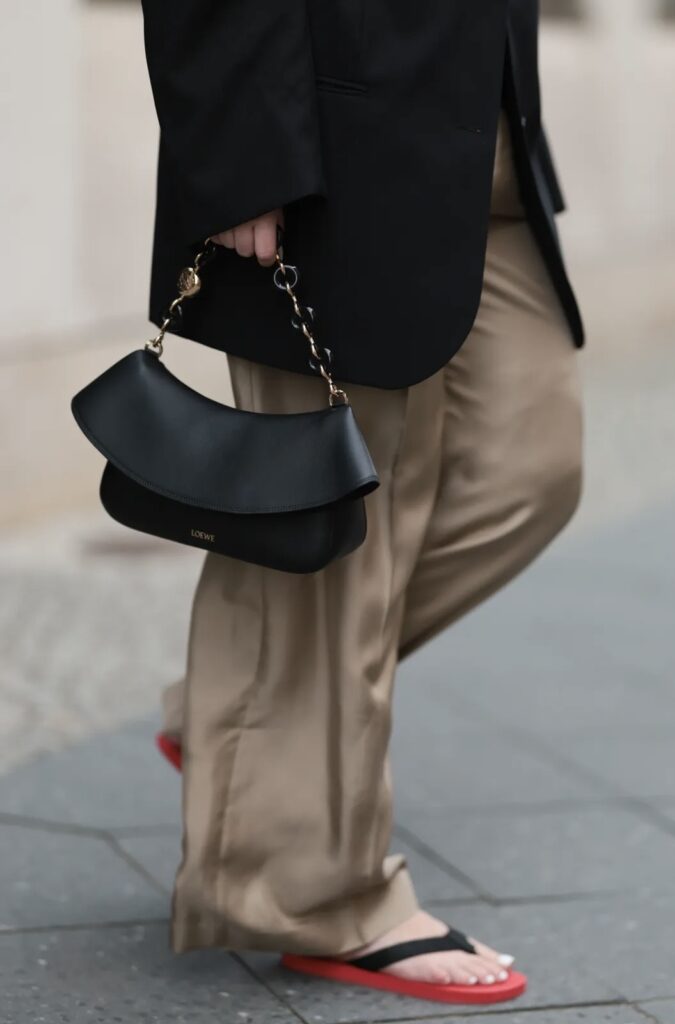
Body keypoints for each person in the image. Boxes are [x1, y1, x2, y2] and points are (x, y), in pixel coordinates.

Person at [140, 0, 584, 1006]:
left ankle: (240, 718)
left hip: (477, 125)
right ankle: (310, 890)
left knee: (529, 468)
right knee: (337, 524)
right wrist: (241, 149)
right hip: (327, 137)